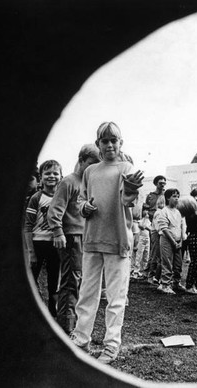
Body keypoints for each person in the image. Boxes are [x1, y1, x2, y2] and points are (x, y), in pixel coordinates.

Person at [69, 122, 144, 365]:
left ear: (121, 143)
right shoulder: (90, 172)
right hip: (92, 240)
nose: (110, 144)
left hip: (118, 240)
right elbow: (81, 200)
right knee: (86, 294)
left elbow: (128, 201)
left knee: (116, 296)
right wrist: (84, 207)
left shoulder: (127, 167)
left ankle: (111, 345)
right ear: (98, 144)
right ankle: (81, 339)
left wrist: (131, 190)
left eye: (114, 140)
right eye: (105, 141)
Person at [46, 144, 99, 334]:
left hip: (84, 237)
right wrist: (58, 232)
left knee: (79, 280)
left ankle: (72, 321)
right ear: (81, 160)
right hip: (70, 238)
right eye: (91, 163)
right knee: (70, 281)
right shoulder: (69, 181)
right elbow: (55, 210)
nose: (93, 168)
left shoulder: (87, 183)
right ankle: (65, 327)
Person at [23, 160, 63, 317]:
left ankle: (53, 313)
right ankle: (33, 311)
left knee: (54, 281)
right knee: (31, 279)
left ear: (61, 176)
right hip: (38, 243)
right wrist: (31, 251)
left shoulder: (62, 197)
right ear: (41, 177)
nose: (51, 176)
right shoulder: (36, 198)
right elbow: (28, 226)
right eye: (47, 173)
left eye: (55, 173)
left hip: (56, 244)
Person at [157, 188, 186, 295]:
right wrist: (173, 242)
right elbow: (164, 228)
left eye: (178, 196)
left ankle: (176, 283)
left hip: (178, 240)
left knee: (178, 264)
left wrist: (181, 241)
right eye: (174, 196)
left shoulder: (179, 212)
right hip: (167, 240)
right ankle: (165, 284)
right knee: (167, 262)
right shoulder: (163, 211)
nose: (177, 198)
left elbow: (181, 226)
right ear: (168, 198)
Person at [144, 175, 166, 282]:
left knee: (160, 252)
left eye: (164, 183)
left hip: (163, 225)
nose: (162, 185)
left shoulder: (167, 195)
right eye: (160, 183)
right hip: (153, 225)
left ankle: (156, 274)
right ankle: (149, 273)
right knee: (153, 250)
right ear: (156, 184)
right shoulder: (150, 196)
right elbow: (146, 210)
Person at [133, 209, 151, 279]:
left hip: (147, 239)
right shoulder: (140, 221)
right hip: (141, 238)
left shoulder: (148, 221)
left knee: (146, 254)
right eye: (146, 214)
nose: (147, 215)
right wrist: (146, 226)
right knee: (139, 255)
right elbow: (142, 226)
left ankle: (143, 271)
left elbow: (150, 228)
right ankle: (136, 271)